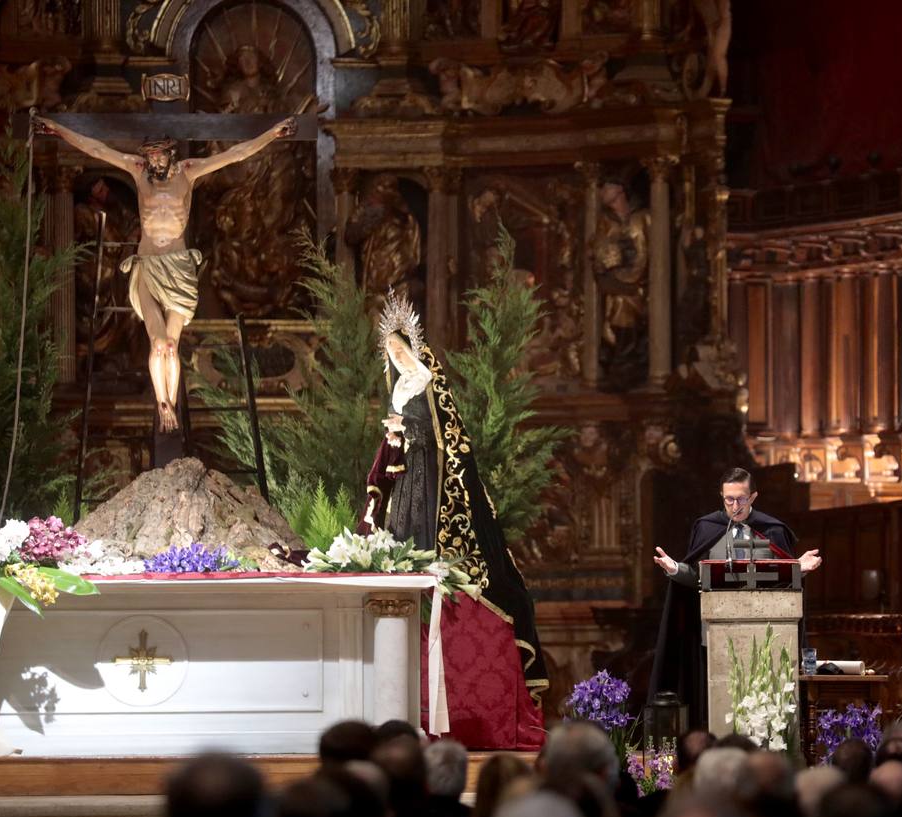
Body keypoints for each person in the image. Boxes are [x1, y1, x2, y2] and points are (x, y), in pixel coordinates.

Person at [360, 292, 547, 749]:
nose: (398, 359)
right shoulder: (400, 387)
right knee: (399, 525)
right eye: (391, 354)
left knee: (429, 529)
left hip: (432, 482)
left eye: (402, 351)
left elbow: (452, 440)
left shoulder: (428, 383)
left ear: (415, 348)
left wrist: (413, 433)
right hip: (405, 481)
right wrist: (394, 436)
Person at [32, 113, 295, 431]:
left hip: (178, 267)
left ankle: (170, 401)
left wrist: (272, 134)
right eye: (150, 156)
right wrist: (59, 130)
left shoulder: (189, 172)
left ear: (171, 154)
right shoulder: (138, 170)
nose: (154, 161)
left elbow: (235, 154)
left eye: (158, 155)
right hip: (147, 265)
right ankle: (162, 402)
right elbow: (97, 149)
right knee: (158, 344)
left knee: (171, 345)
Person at [649, 467, 821, 725]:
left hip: (765, 632)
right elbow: (696, 575)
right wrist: (675, 569)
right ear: (721, 496)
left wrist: (799, 570)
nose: (735, 505)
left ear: (753, 497)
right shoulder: (707, 527)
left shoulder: (772, 530)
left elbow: (785, 581)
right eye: (729, 499)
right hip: (715, 631)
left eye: (741, 499)